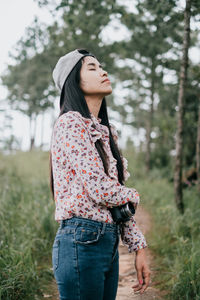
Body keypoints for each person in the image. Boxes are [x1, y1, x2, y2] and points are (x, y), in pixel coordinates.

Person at [49, 48, 150, 300]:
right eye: (92, 68)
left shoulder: (105, 132)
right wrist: (133, 194)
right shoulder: (70, 123)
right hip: (80, 242)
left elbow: (116, 203)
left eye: (101, 66)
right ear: (74, 80)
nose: (103, 71)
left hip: (107, 242)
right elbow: (99, 188)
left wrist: (138, 247)